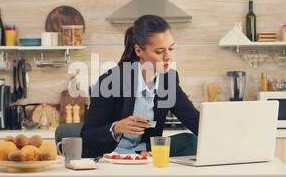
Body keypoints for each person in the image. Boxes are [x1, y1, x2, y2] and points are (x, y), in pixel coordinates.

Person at [81, 15, 199, 158]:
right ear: (139, 51)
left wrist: (227, 133)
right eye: (159, 51)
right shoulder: (112, 80)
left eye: (171, 48)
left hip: (145, 155)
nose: (168, 57)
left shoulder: (168, 80)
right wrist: (116, 128)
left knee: (190, 140)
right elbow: (87, 136)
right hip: (111, 156)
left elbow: (195, 121)